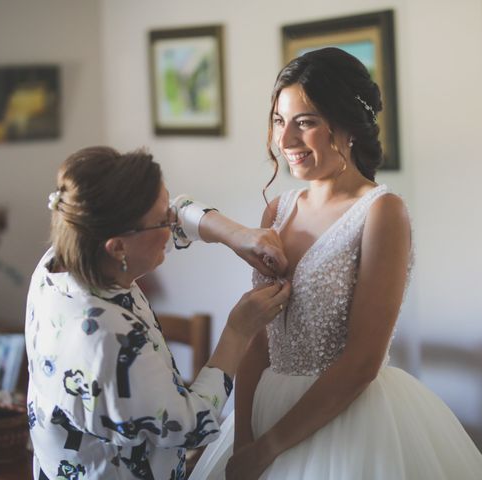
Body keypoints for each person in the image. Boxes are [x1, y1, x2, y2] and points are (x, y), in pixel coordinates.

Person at [192, 47, 482, 479]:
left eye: (306, 122)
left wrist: (268, 449)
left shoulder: (381, 212)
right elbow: (258, 341)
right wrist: (243, 438)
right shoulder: (277, 212)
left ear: (347, 126)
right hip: (260, 410)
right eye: (280, 121)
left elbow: (362, 361)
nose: (285, 142)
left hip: (345, 419)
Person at [25, 146, 291, 480]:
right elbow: (188, 427)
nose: (172, 226)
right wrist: (238, 331)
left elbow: (175, 212)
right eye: (161, 223)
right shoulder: (110, 339)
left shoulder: (62, 260)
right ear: (118, 246)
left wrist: (238, 236)